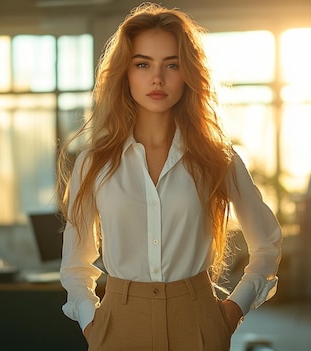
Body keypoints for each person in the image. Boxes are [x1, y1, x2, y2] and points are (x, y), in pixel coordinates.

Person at [57, 3, 282, 350]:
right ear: (125, 74)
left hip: (198, 321)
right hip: (118, 324)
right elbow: (75, 264)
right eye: (143, 64)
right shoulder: (95, 163)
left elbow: (266, 243)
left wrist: (232, 312)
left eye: (171, 65)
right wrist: (92, 324)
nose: (157, 78)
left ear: (188, 73)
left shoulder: (217, 159)